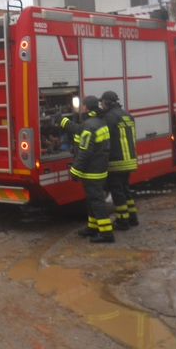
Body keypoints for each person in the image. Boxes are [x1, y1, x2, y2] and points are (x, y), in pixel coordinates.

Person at [58, 96, 113, 243]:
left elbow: (85, 152)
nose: (81, 108)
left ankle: (107, 233)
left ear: (86, 108)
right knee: (91, 200)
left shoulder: (90, 125)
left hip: (92, 171)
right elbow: (78, 129)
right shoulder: (98, 121)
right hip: (98, 168)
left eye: (82, 106)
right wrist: (62, 120)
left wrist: (75, 171)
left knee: (96, 201)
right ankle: (93, 227)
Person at [99, 91, 138, 230]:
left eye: (102, 102)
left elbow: (104, 137)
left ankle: (122, 221)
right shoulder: (127, 115)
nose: (101, 105)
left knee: (117, 192)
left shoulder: (110, 117)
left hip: (117, 161)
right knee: (125, 189)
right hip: (129, 160)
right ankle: (132, 218)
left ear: (107, 102)